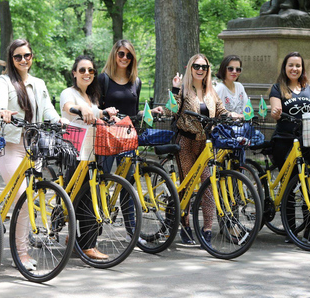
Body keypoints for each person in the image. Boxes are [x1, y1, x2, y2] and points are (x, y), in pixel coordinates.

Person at [0, 39, 62, 271]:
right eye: (18, 56)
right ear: (11, 59)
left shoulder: (38, 83)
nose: (24, 60)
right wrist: (2, 111)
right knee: (23, 198)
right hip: (11, 146)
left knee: (29, 198)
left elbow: (47, 109)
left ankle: (12, 235)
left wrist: (58, 120)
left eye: (27, 55)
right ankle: (21, 253)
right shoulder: (4, 81)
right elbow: (0, 103)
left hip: (32, 147)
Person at [171, 54, 233, 244]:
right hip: (186, 143)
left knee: (208, 187)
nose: (200, 69)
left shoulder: (211, 91)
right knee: (187, 187)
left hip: (206, 144)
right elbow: (171, 110)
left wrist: (234, 115)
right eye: (196, 66)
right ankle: (185, 226)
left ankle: (206, 229)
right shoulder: (183, 89)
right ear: (190, 67)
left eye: (204, 67)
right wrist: (174, 89)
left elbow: (221, 110)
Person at [59, 55, 108, 260]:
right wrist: (79, 108)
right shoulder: (68, 93)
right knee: (83, 197)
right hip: (74, 149)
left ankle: (77, 240)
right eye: (82, 70)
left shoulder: (92, 97)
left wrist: (105, 112)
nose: (87, 73)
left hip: (91, 150)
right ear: (74, 73)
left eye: (90, 70)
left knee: (87, 196)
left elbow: (95, 113)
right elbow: (68, 107)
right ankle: (87, 245)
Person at [96, 40, 161, 173]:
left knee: (128, 178)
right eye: (121, 54)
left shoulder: (136, 82)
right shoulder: (103, 79)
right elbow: (95, 109)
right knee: (103, 176)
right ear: (114, 55)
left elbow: (134, 111)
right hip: (107, 136)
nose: (125, 58)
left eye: (128, 55)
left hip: (127, 135)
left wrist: (150, 112)